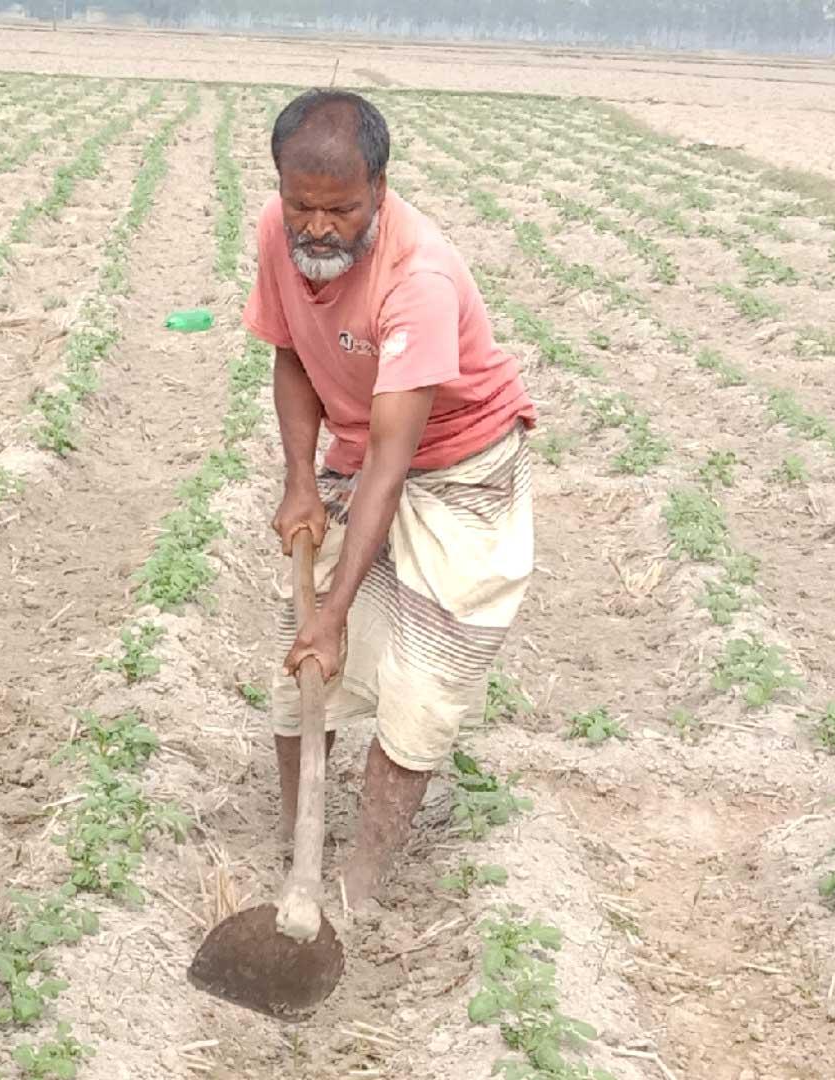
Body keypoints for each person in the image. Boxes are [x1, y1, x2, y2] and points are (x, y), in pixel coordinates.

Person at [241, 88, 538, 912]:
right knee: (305, 669)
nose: (317, 229)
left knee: (424, 679)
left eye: (340, 209)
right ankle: (298, 865)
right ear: (279, 185)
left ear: (380, 187)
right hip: (353, 449)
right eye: (302, 205)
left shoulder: (421, 278)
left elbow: (390, 461)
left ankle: (362, 879)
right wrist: (300, 479)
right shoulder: (280, 232)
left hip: (460, 463)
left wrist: (334, 612)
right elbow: (292, 355)